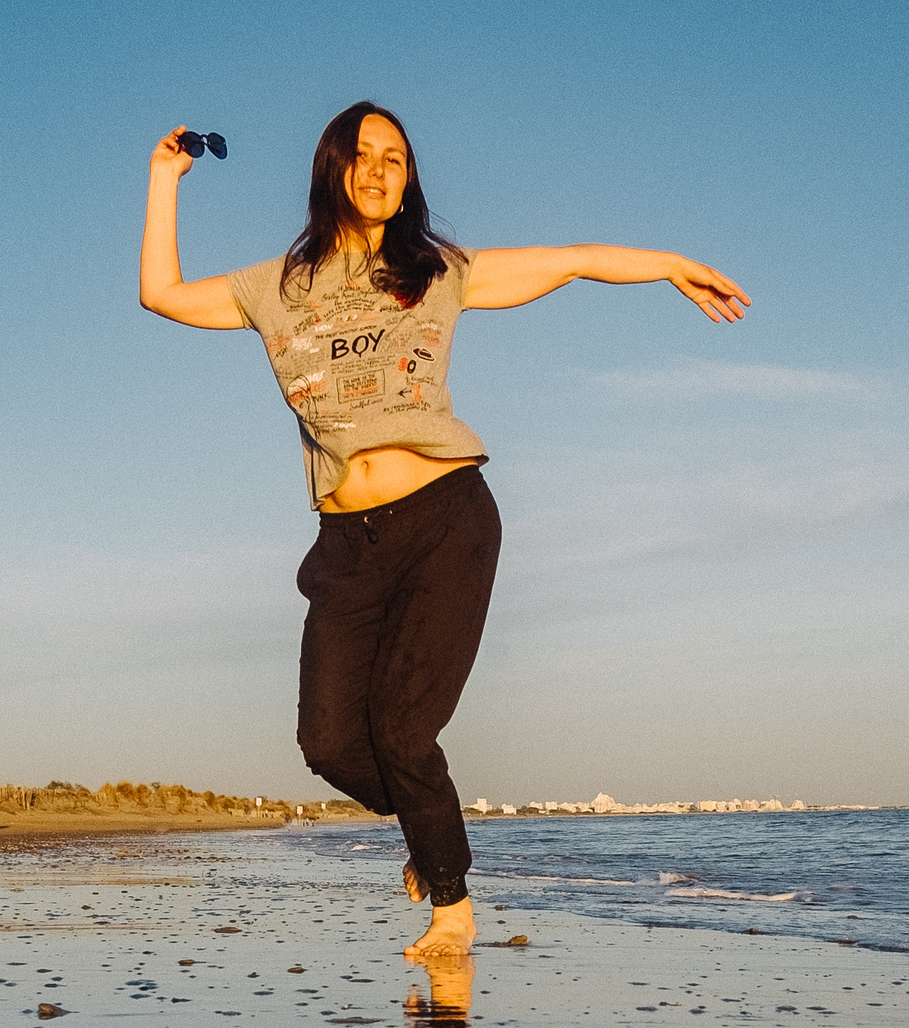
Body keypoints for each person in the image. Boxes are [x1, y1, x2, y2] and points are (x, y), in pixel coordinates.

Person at [140, 101, 748, 958]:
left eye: (397, 156)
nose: (381, 168)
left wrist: (668, 265)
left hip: (445, 522)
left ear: (409, 177)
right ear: (333, 171)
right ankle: (430, 831)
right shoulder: (275, 287)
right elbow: (160, 293)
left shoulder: (435, 271)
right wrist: (164, 181)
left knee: (402, 729)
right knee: (327, 743)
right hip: (346, 546)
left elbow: (566, 261)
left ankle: (452, 909)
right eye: (363, 154)